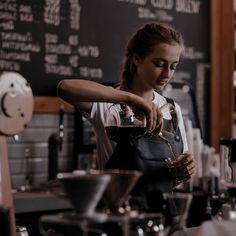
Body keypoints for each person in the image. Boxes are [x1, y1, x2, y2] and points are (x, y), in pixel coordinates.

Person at [57, 22, 197, 209]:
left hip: (160, 215)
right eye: (159, 64)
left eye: (173, 66)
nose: (167, 74)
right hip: (117, 212)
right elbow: (65, 88)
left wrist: (181, 172)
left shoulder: (172, 109)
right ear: (137, 59)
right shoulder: (109, 105)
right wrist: (130, 99)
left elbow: (170, 178)